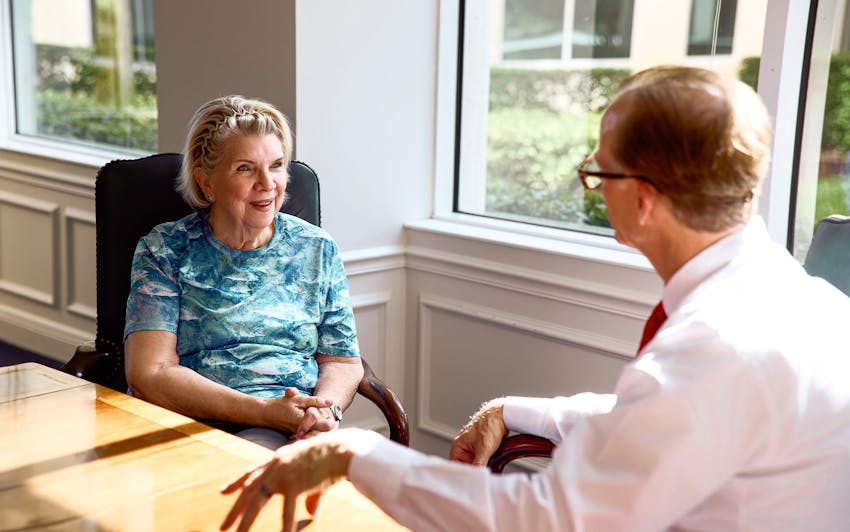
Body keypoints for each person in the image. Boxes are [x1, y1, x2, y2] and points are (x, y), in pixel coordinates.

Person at [219, 67, 850, 531]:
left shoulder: (713, 346)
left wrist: (352, 450)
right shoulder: (808, 302)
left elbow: (546, 520)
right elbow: (663, 421)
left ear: (644, 198)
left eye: (598, 173)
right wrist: (515, 410)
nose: (594, 190)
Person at [124, 95, 363, 449]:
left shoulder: (318, 248)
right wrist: (265, 412)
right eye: (245, 168)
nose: (268, 183)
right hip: (199, 428)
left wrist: (324, 412)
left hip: (299, 428)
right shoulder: (166, 249)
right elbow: (149, 373)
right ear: (206, 182)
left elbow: (342, 361)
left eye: (277, 165)